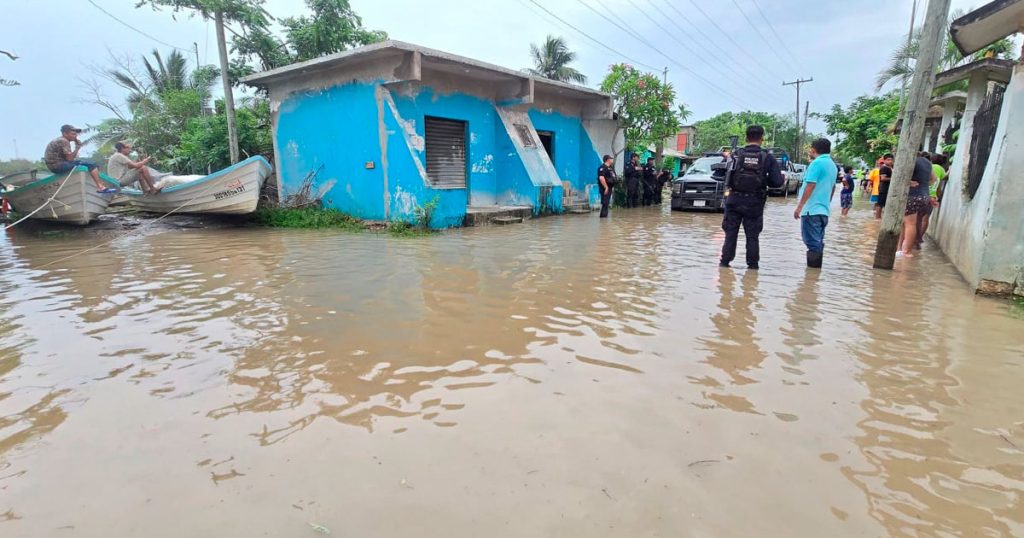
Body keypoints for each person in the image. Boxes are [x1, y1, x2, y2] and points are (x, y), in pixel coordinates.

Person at [719, 125, 784, 270]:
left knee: (730, 234)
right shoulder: (768, 157)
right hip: (755, 202)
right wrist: (763, 180)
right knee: (752, 237)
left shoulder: (735, 155)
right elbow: (777, 183)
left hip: (734, 200)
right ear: (762, 138)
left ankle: (724, 264)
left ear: (746, 138)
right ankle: (753, 268)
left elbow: (721, 175)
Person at [794, 138, 837, 268]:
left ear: (813, 149)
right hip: (823, 211)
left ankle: (812, 276)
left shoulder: (816, 163)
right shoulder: (832, 165)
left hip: (811, 210)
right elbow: (833, 187)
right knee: (817, 242)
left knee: (812, 243)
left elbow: (810, 185)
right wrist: (826, 203)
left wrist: (799, 207)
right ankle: (813, 279)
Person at [43, 124, 113, 193]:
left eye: (75, 134)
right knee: (92, 165)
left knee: (85, 164)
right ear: (65, 133)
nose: (75, 136)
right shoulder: (64, 141)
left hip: (54, 166)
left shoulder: (60, 140)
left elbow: (69, 159)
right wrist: (77, 148)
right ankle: (101, 187)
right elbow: (70, 159)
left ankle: (98, 184)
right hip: (58, 166)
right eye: (73, 134)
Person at [901, 153, 937, 257]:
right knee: (915, 222)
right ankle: (909, 247)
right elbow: (933, 179)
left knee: (909, 224)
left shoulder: (911, 159)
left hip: (912, 195)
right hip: (924, 196)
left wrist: (909, 183)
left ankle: (906, 251)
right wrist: (923, 185)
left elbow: (901, 177)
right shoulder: (927, 162)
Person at [597, 154, 617, 219]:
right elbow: (601, 178)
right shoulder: (602, 167)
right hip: (605, 188)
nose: (612, 160)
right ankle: (603, 219)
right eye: (611, 158)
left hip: (609, 187)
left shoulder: (610, 168)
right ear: (608, 160)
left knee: (606, 203)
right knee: (605, 203)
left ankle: (604, 220)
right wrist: (606, 187)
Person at [875, 153, 894, 219]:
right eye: (888, 160)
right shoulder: (884, 168)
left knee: (884, 204)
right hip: (883, 188)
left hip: (888, 188)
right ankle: (877, 218)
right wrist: (894, 179)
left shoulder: (891, 168)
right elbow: (883, 178)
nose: (890, 161)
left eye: (891, 160)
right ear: (885, 160)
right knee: (880, 204)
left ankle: (882, 218)